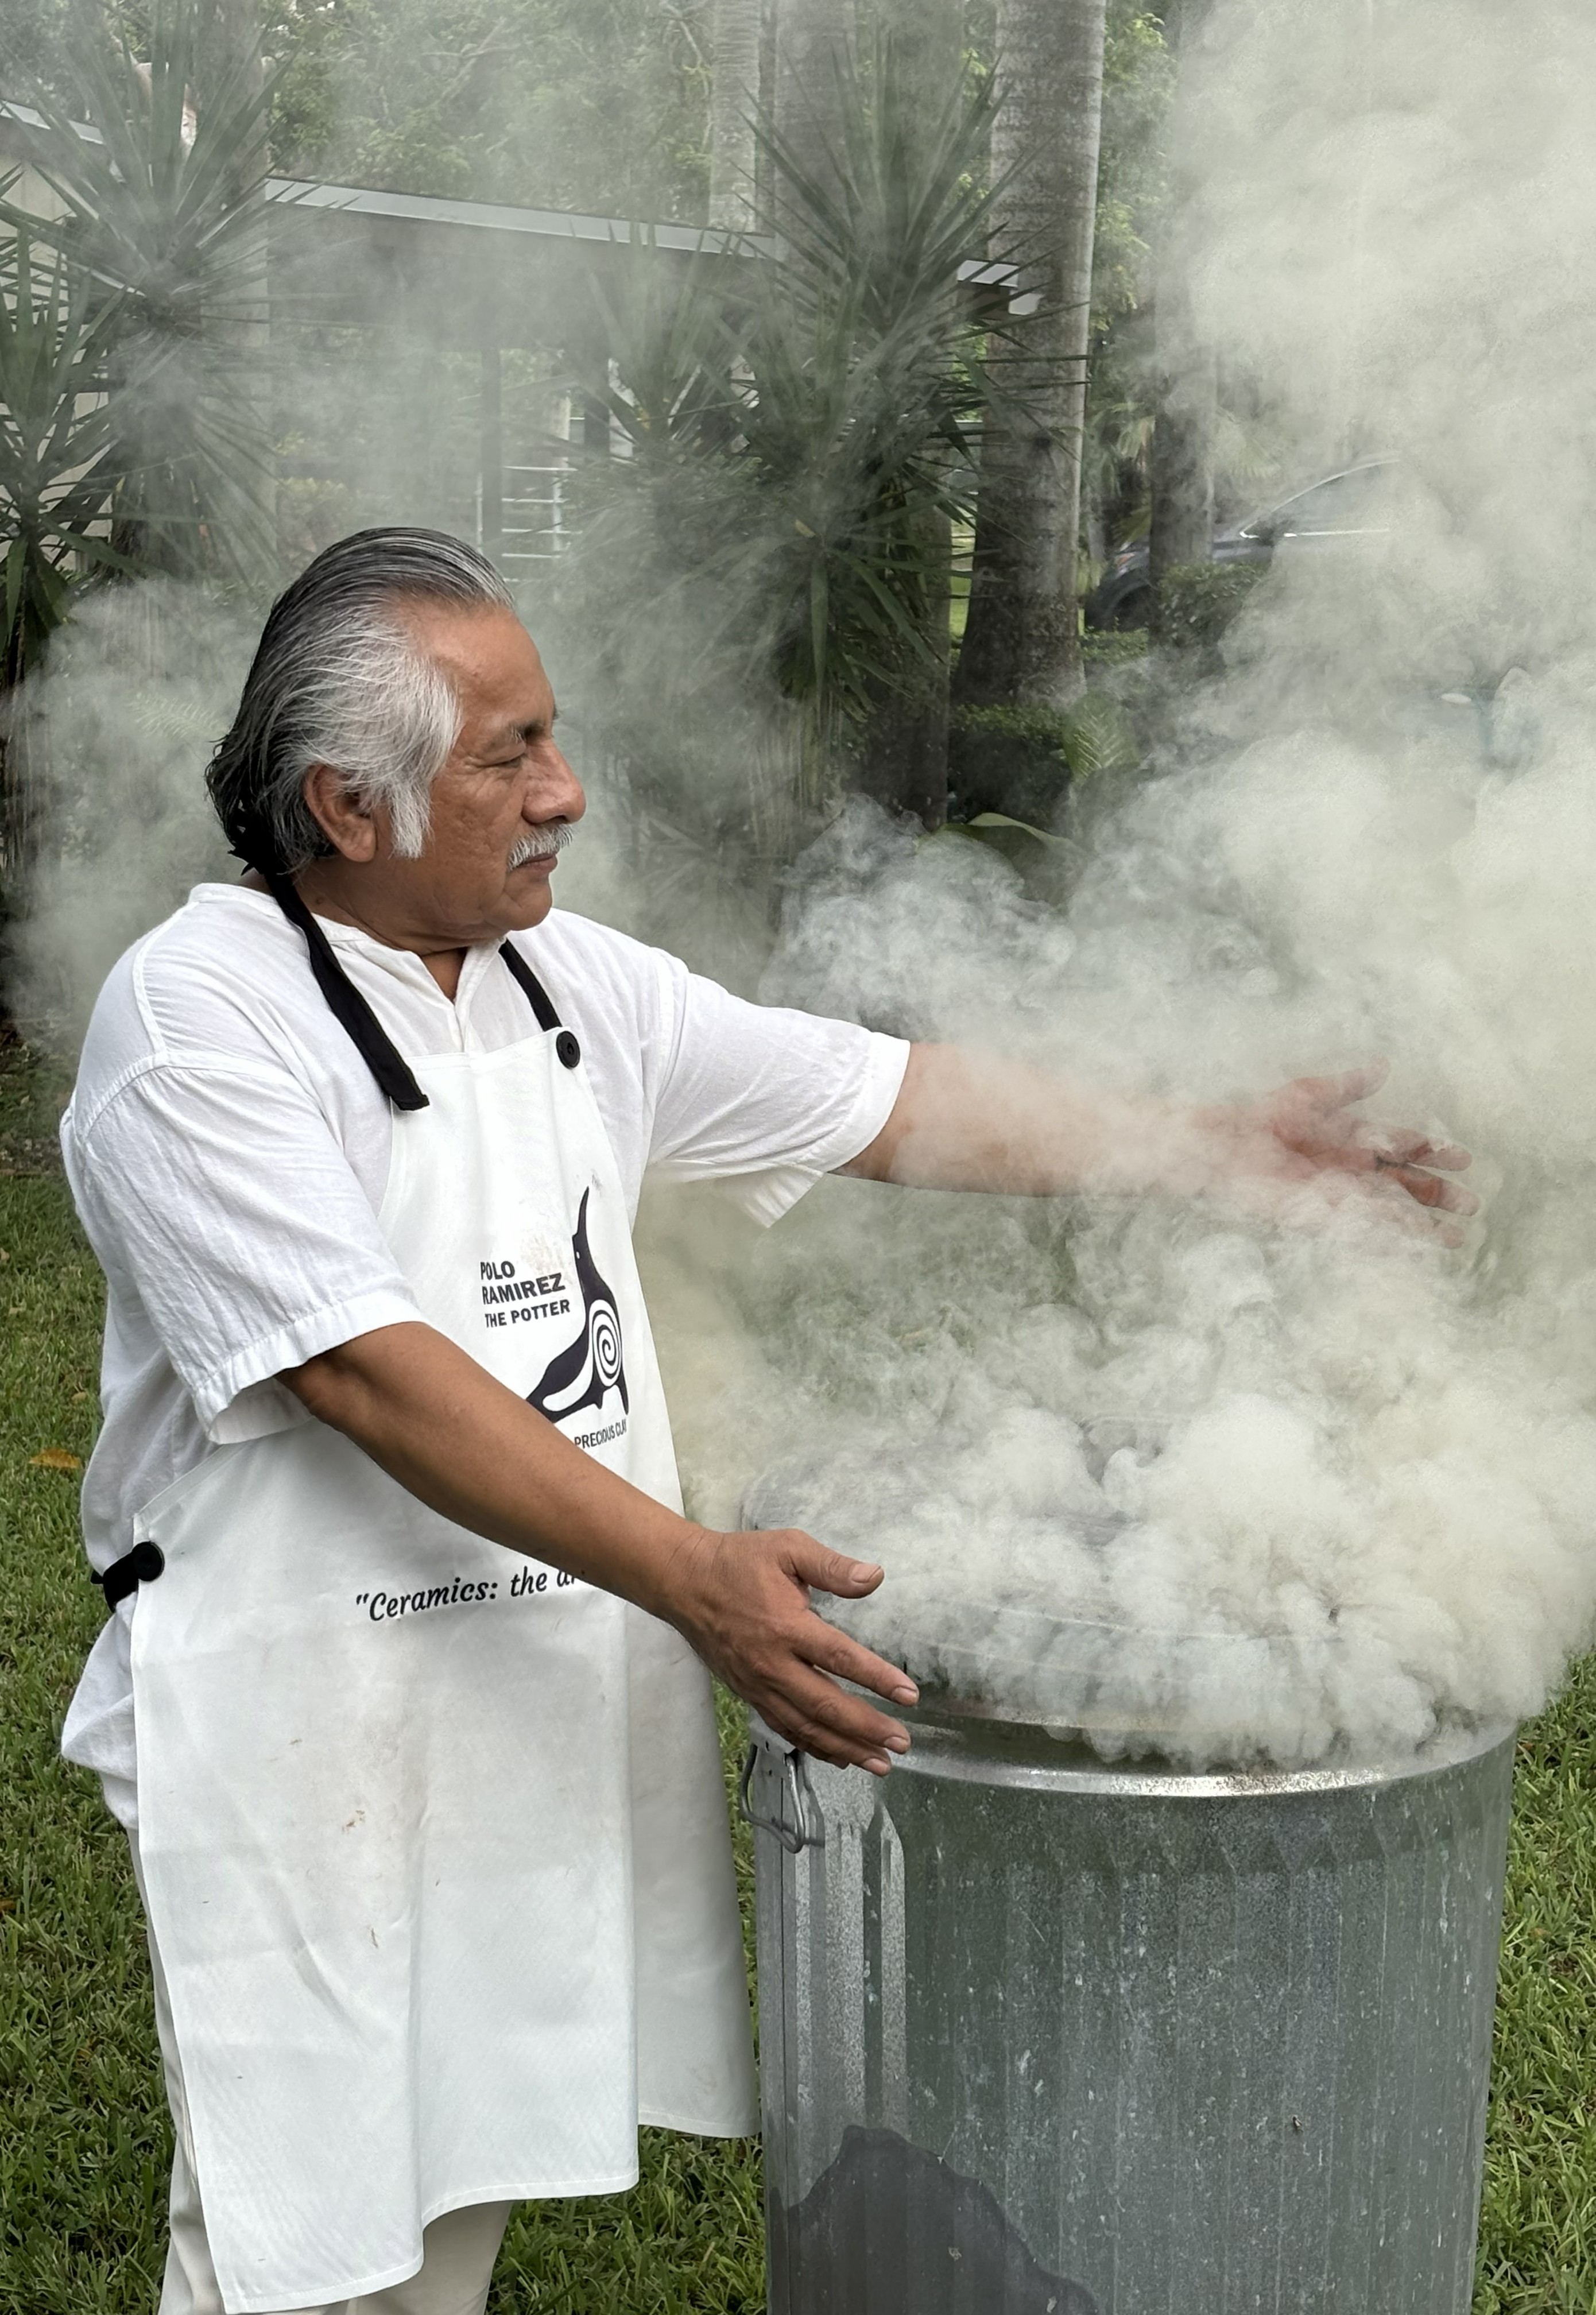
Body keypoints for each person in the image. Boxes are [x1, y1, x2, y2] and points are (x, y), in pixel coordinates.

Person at [58, 529, 1475, 2315]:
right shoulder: (196, 1027)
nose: (564, 792)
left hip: (508, 1681)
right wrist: (690, 1577)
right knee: (296, 2217)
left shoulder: (569, 986)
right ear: (348, 804)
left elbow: (884, 1102)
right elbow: (357, 1366)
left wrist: (1218, 1146)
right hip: (304, 1706)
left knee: (445, 2202)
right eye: (509, 755)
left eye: (551, 738)